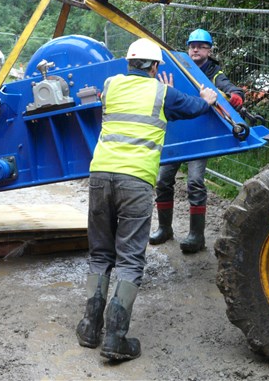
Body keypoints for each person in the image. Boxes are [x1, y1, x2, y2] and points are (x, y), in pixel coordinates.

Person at [76, 38, 218, 361]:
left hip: (99, 176)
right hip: (135, 181)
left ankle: (89, 328)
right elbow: (194, 107)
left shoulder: (110, 86)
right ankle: (115, 338)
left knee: (100, 254)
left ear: (129, 63)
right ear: (155, 67)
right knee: (129, 259)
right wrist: (207, 98)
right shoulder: (162, 93)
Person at [150, 28, 244, 253]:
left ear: (209, 51)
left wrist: (231, 96)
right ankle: (165, 228)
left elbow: (233, 92)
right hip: (176, 134)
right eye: (192, 45)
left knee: (194, 182)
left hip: (199, 139)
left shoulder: (214, 74)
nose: (195, 49)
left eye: (201, 46)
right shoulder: (177, 69)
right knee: (163, 181)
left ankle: (196, 235)